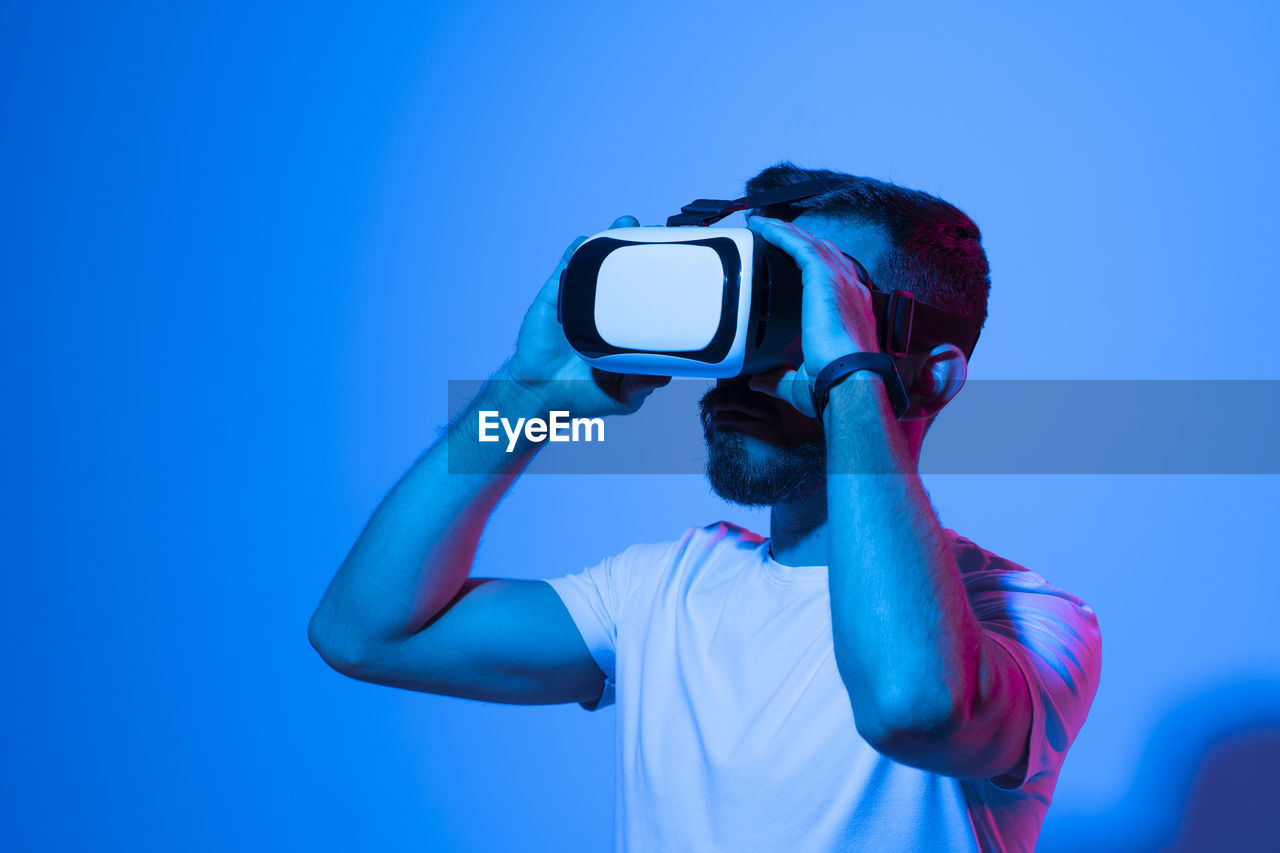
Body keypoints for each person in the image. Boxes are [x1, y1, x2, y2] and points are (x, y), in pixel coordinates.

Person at [308, 163, 1102, 852]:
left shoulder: (1031, 621)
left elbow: (910, 703)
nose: (747, 370)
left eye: (810, 312)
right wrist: (528, 393)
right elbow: (365, 632)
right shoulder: (664, 590)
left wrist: (848, 377)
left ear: (931, 377)